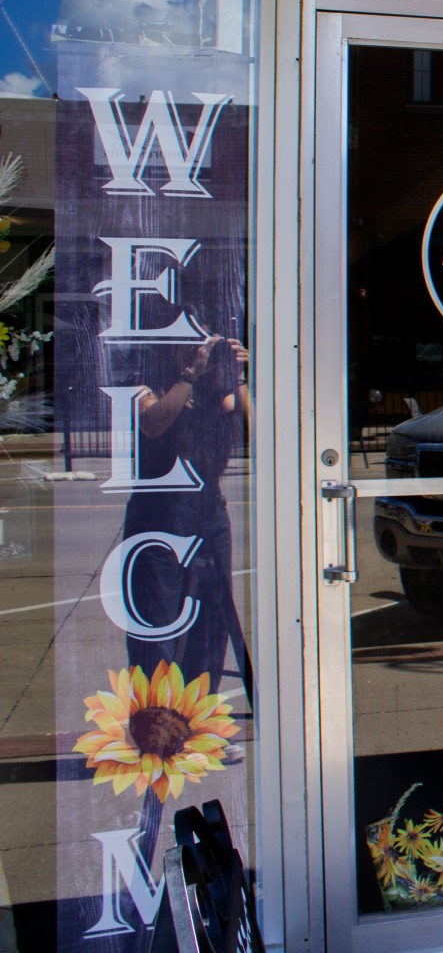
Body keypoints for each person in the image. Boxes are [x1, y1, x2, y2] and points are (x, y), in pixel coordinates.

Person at [119, 329, 254, 858]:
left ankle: (198, 726)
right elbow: (153, 421)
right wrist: (191, 373)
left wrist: (239, 375)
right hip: (158, 515)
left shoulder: (219, 388)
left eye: (207, 344)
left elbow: (256, 426)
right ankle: (156, 730)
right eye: (192, 343)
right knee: (157, 623)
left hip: (206, 511)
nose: (201, 351)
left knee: (210, 623)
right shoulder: (150, 382)